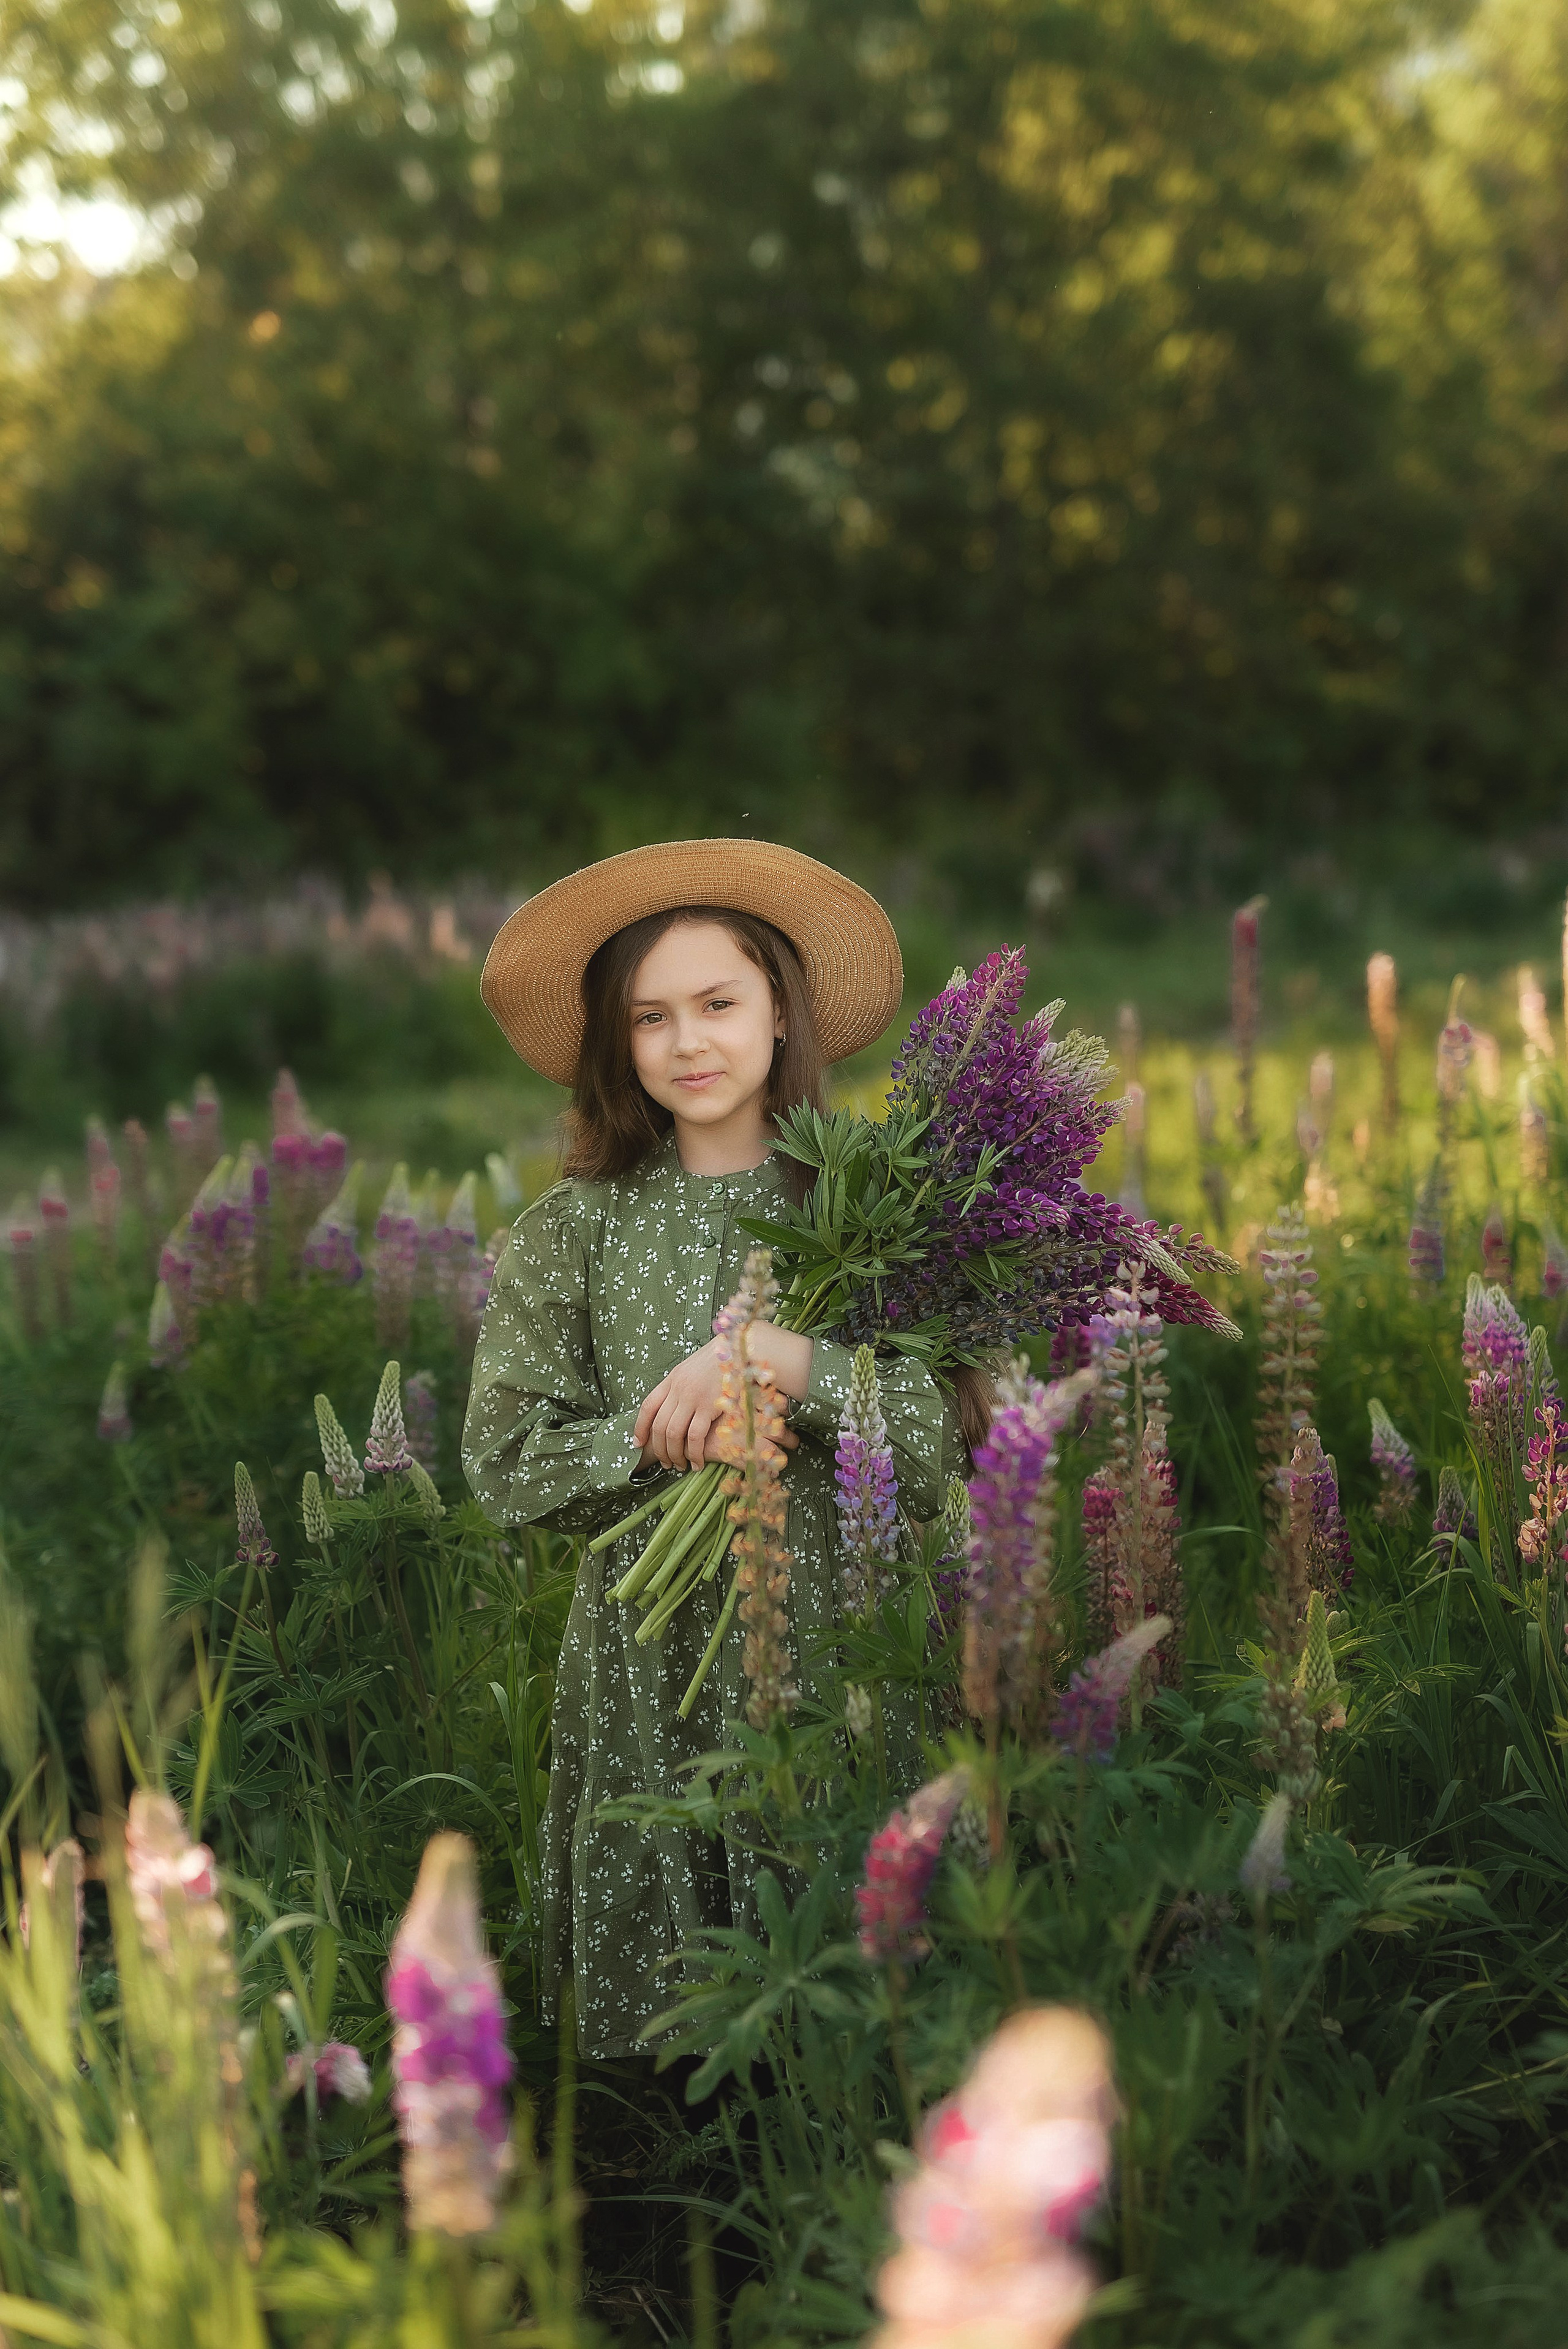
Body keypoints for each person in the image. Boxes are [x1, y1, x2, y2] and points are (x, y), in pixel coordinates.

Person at [462, 839, 965, 2058]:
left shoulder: (864, 1208)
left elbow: (937, 1440)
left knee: (852, 1951)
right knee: (680, 1982)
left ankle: (842, 2152)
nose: (687, 1040)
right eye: (649, 1016)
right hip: (649, 1645)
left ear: (780, 1009)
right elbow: (504, 1460)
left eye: (717, 1003)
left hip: (838, 1618)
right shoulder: (571, 1230)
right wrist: (662, 1436)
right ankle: (665, 2175)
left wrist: (786, 1363)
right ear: (614, 1042)